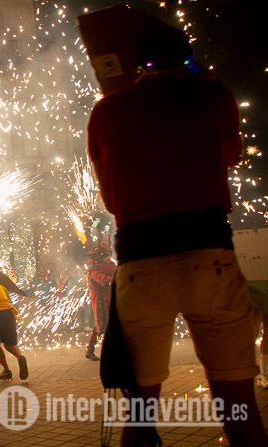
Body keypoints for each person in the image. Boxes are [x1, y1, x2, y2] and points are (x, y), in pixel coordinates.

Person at [87, 32, 267, 445]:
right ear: (190, 61)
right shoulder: (212, 94)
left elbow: (111, 201)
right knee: (238, 405)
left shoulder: (105, 110)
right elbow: (231, 156)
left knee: (139, 414)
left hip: (141, 261)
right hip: (208, 252)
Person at [85, 243, 116, 361]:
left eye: (109, 255)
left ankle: (90, 350)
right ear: (101, 257)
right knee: (102, 326)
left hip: (110, 299)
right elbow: (104, 280)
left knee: (101, 325)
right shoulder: (94, 271)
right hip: (101, 302)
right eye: (107, 255)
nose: (109, 257)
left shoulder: (111, 267)